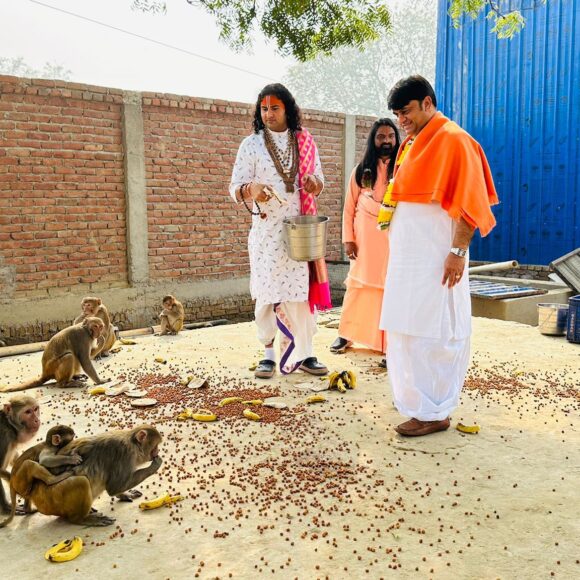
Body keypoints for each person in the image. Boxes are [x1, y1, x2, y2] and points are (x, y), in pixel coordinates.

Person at [379, 76, 498, 437]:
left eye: (407, 112)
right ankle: (417, 402)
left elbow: (468, 204)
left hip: (437, 257)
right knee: (406, 328)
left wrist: (458, 251)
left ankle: (434, 410)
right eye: (398, 115)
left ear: (428, 103)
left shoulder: (455, 141)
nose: (402, 121)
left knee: (436, 330)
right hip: (408, 260)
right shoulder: (412, 144)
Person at [229, 83, 331, 379]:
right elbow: (234, 188)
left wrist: (314, 182)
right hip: (266, 233)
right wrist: (251, 189)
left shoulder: (305, 141)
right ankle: (269, 354)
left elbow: (321, 178)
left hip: (299, 231)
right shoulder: (251, 144)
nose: (268, 114)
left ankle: (306, 352)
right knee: (267, 292)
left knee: (299, 293)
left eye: (275, 108)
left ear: (287, 109)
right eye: (264, 108)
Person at [330, 119, 400, 366]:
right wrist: (348, 239)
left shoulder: (403, 168)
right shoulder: (362, 170)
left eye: (390, 136)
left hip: (391, 237)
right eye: (381, 137)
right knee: (358, 287)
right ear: (373, 140)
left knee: (389, 289)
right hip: (364, 239)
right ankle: (346, 334)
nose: (387, 141)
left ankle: (391, 344)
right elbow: (349, 208)